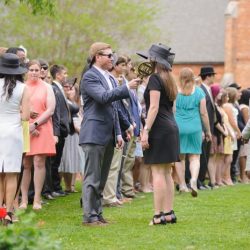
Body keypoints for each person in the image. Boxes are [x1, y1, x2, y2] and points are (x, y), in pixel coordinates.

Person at [80, 42, 139, 226]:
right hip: (94, 133)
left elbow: (113, 108)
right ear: (97, 57)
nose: (112, 58)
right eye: (108, 55)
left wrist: (120, 132)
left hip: (108, 134)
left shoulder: (109, 77)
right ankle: (89, 217)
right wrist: (127, 87)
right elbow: (104, 98)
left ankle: (98, 214)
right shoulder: (90, 77)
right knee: (92, 177)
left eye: (112, 54)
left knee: (102, 179)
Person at [138, 43, 180, 225]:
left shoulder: (155, 79)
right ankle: (169, 213)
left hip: (159, 128)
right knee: (167, 172)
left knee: (157, 172)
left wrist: (146, 129)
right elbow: (172, 108)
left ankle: (157, 215)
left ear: (154, 60)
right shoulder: (170, 78)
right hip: (171, 127)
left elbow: (153, 107)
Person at [20, 60, 56, 210]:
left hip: (42, 127)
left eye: (37, 70)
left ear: (41, 71)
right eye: (31, 70)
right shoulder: (22, 87)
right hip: (24, 126)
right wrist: (27, 123)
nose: (34, 72)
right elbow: (16, 107)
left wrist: (35, 124)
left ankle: (37, 199)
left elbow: (50, 110)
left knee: (39, 162)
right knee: (26, 164)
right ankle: (23, 200)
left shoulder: (47, 87)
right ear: (27, 71)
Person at [0, 53, 29, 224]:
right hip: (13, 132)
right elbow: (25, 116)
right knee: (11, 174)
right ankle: (9, 212)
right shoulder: (23, 88)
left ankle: (0, 211)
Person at [175, 68, 211, 197]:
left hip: (179, 127)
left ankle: (182, 185)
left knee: (180, 158)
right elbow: (203, 113)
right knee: (195, 157)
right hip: (195, 126)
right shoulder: (199, 92)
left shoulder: (175, 92)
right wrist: (208, 131)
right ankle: (194, 180)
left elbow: (172, 110)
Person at [199, 66, 216, 189]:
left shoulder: (208, 90)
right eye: (213, 75)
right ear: (208, 76)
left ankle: (201, 180)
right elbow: (201, 112)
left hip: (209, 128)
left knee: (205, 155)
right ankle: (198, 181)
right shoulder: (201, 90)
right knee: (201, 155)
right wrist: (203, 129)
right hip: (203, 129)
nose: (214, 77)